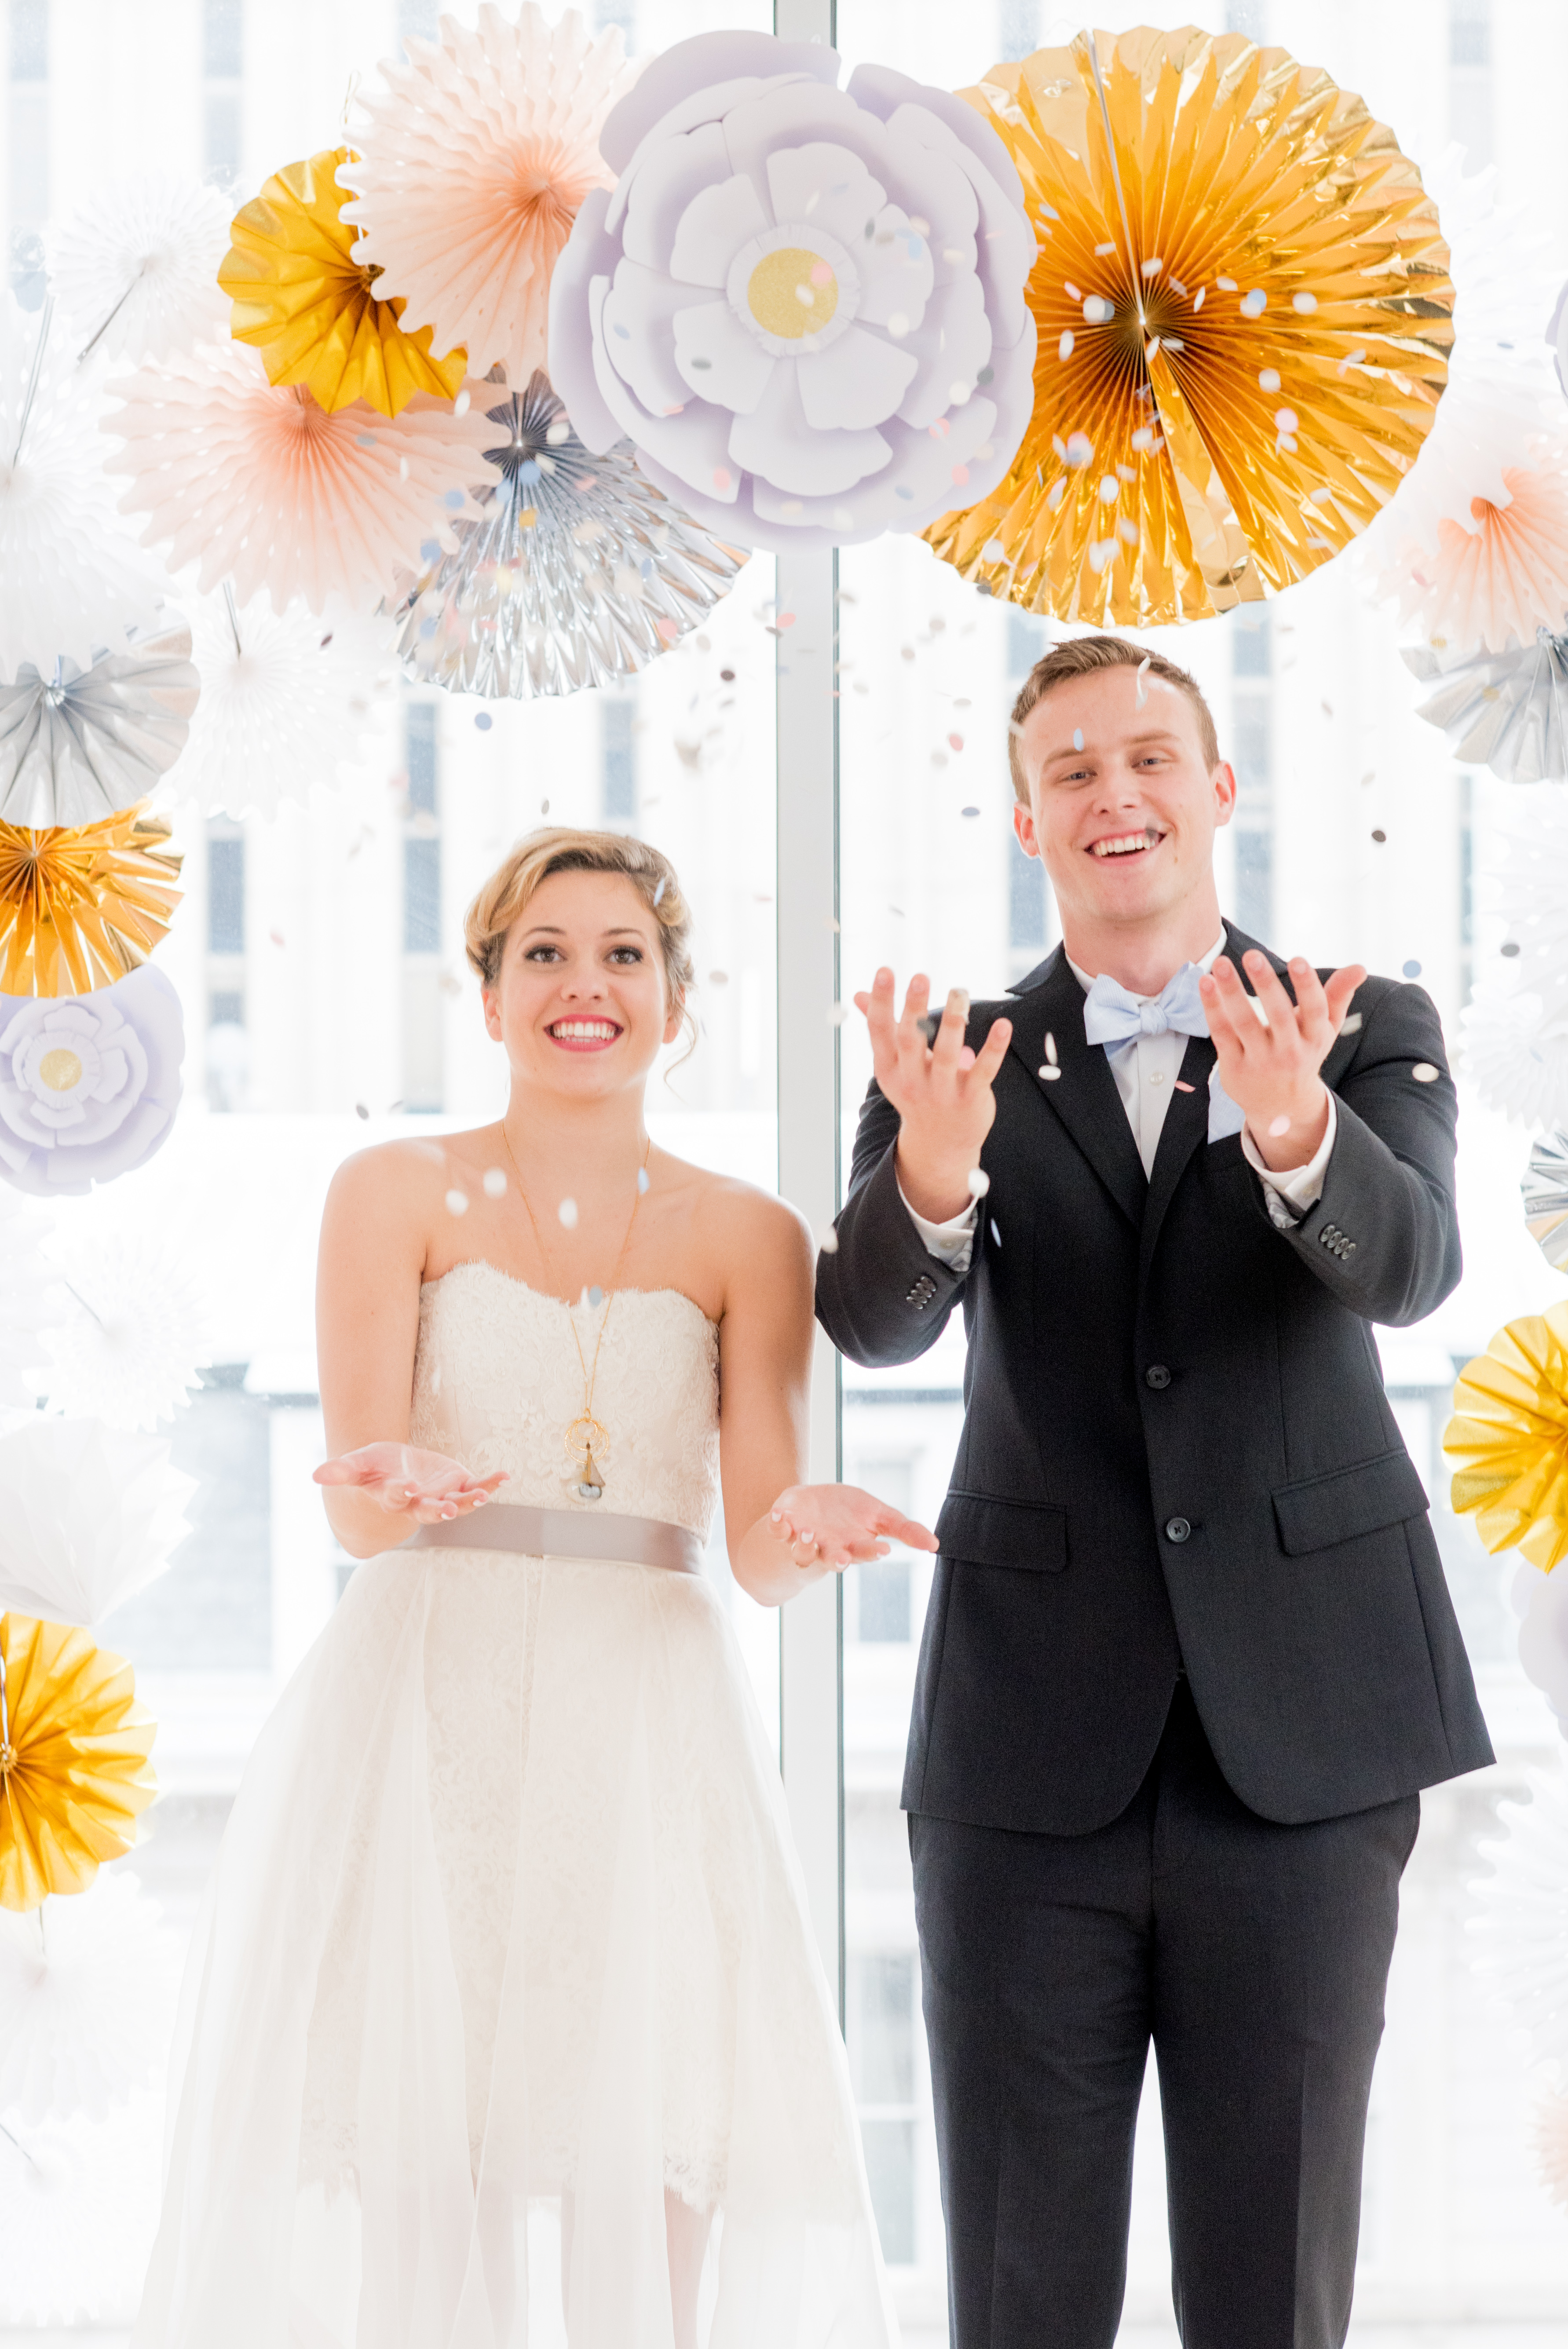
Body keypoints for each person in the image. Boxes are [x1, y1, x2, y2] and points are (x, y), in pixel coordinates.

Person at [135, 828, 925, 2349]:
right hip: (440, 1702)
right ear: (489, 994)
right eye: (545, 953)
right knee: (431, 2156)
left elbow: (756, 1553)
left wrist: (809, 1523)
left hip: (650, 1709)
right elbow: (366, 1518)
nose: (586, 984)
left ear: (675, 1003)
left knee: (668, 2126)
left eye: (624, 954)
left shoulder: (752, 1234)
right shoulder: (393, 1190)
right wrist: (382, 1484)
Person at [816, 633, 1493, 2349]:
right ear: (1027, 816)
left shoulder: (1358, 1020)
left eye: (1146, 758)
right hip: (1024, 1754)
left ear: (1216, 790)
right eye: (1071, 769)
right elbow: (874, 1315)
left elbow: (1409, 1271)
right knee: (1020, 2283)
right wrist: (936, 1166)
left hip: (1308, 1741)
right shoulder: (952, 1057)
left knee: (1270, 2286)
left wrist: (1292, 1139)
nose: (1113, 792)